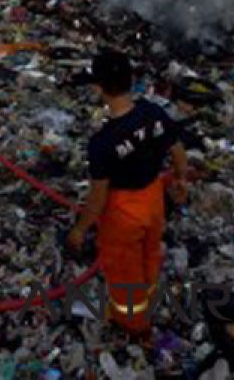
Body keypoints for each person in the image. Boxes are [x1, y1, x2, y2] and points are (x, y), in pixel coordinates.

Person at [67, 50, 188, 340]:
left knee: (123, 271)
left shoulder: (103, 143)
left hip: (123, 213)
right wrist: (181, 180)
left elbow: (97, 199)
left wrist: (80, 230)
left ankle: (133, 323)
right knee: (150, 251)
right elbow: (178, 150)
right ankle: (148, 294)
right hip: (153, 198)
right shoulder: (153, 113)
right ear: (132, 81)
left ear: (98, 88)